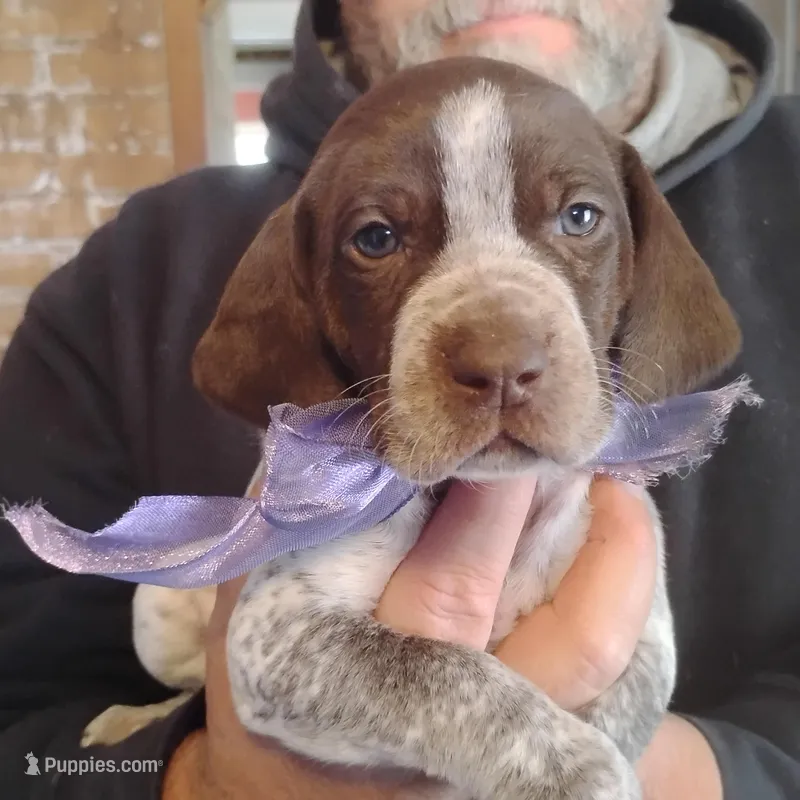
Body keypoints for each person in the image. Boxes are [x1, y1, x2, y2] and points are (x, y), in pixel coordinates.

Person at [0, 0, 798, 797]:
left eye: (579, 217)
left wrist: (669, 773)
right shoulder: (131, 278)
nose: (498, 355)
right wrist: (192, 780)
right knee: (164, 622)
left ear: (638, 262)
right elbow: (25, 742)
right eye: (378, 238)